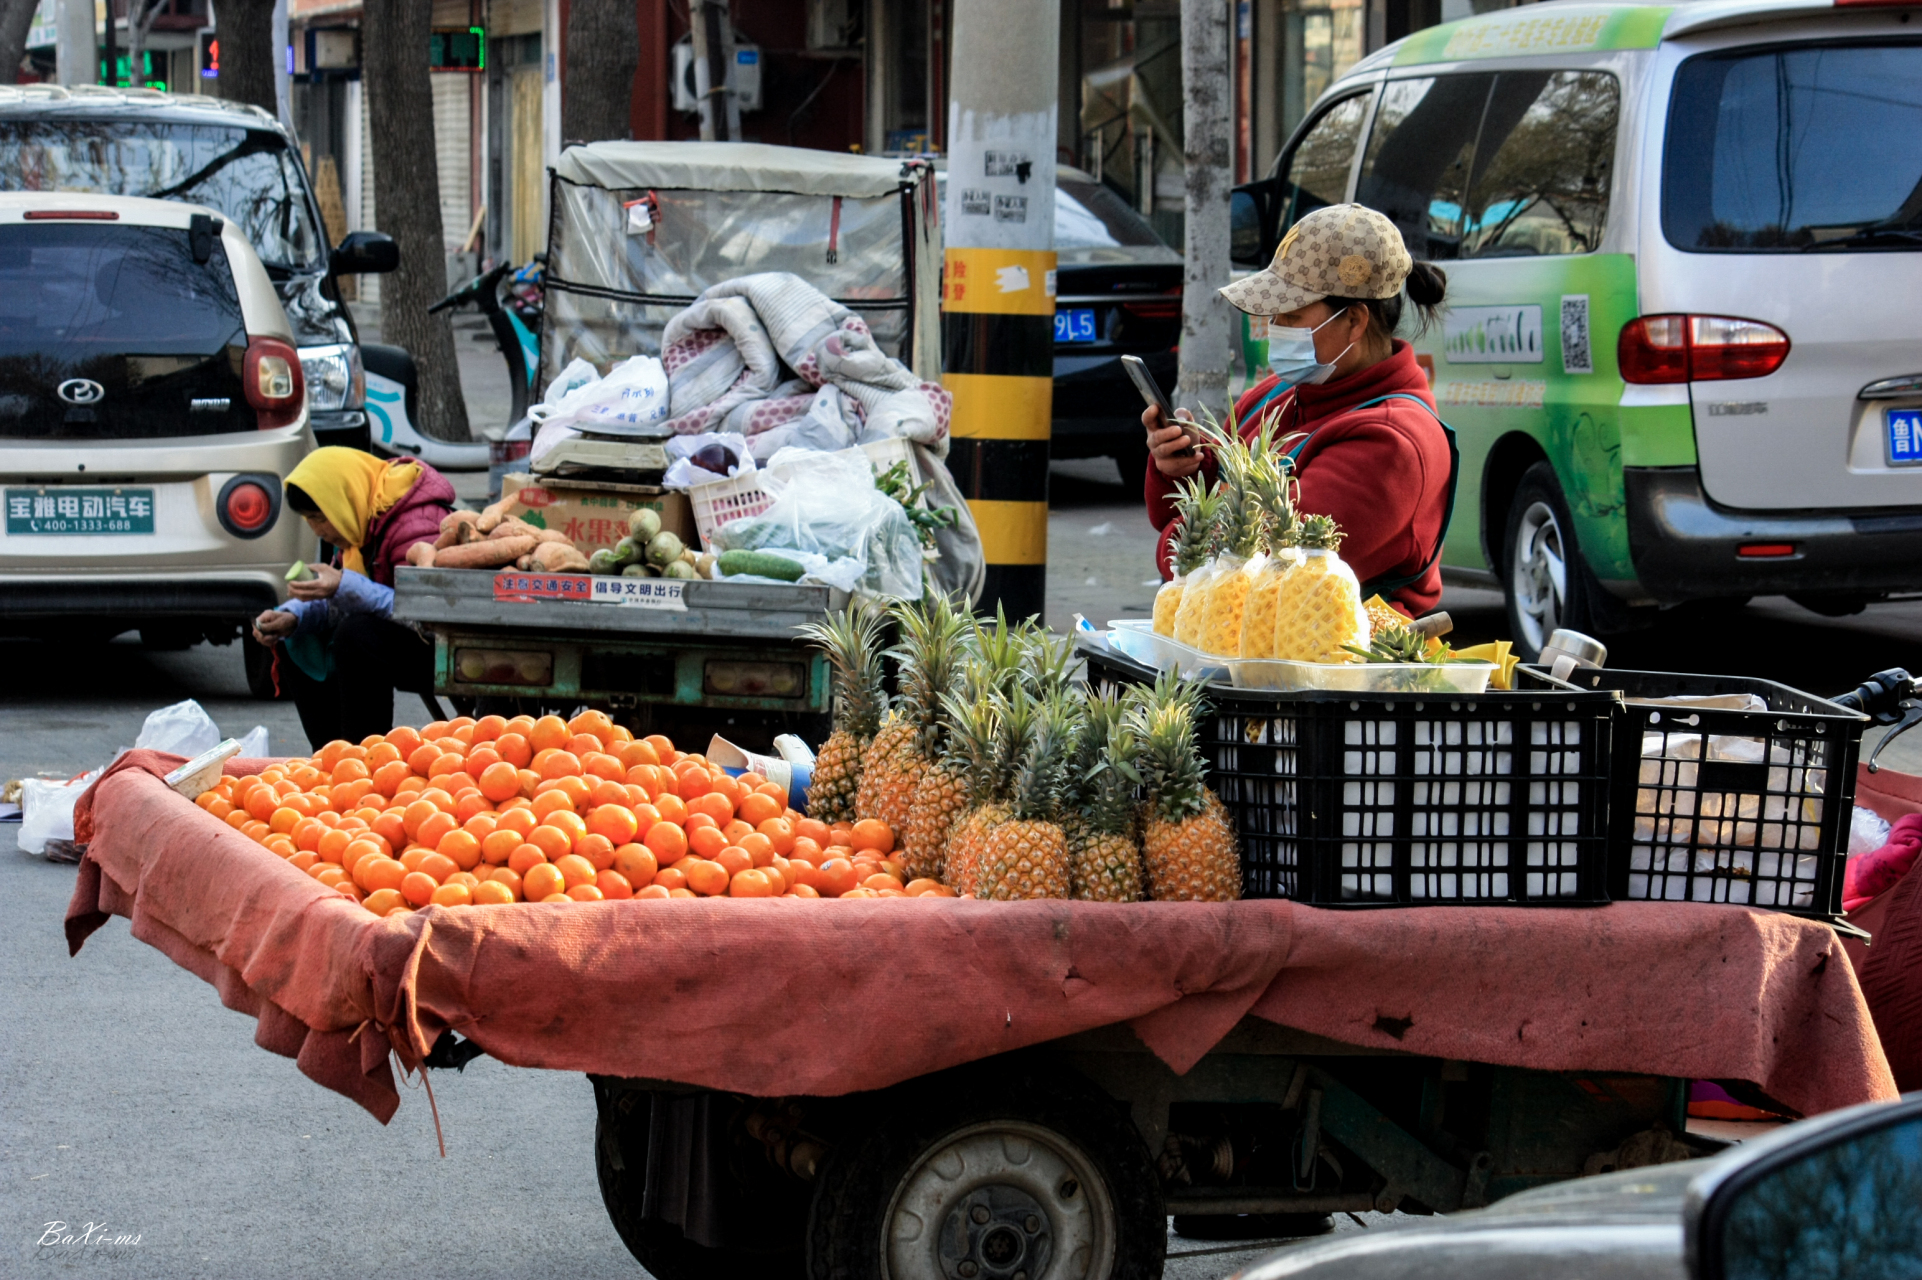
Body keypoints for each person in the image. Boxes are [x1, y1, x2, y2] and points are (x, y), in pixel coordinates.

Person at [1144, 203, 1454, 618]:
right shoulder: (1279, 394)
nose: (1274, 326)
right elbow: (1178, 528)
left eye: (1291, 314)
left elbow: (1230, 564)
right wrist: (1183, 467)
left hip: (1333, 670)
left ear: (1355, 322)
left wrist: (1196, 518)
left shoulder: (1393, 442)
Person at [250, 447, 456, 748]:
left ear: (344, 499)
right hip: (398, 636)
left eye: (320, 518)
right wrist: (293, 614)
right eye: (309, 520)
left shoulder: (416, 522)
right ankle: (332, 760)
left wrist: (344, 586)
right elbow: (343, 594)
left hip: (440, 647)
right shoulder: (359, 521)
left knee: (356, 635)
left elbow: (426, 612)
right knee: (298, 635)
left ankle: (364, 760)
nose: (318, 531)